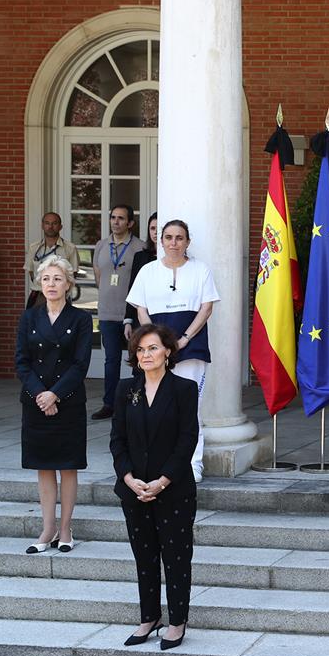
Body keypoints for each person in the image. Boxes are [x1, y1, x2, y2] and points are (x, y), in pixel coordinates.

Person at [110, 324, 200, 651]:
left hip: (173, 489)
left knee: (176, 557)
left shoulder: (184, 389)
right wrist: (128, 478)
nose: (146, 355)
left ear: (168, 352)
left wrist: (162, 481)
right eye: (140, 349)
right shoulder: (125, 389)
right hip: (135, 491)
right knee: (144, 557)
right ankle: (149, 618)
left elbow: (187, 439)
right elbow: (117, 439)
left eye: (152, 348)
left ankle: (177, 621)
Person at [126, 219, 219, 482]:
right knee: (156, 405)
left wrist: (185, 338)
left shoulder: (200, 270)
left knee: (190, 408)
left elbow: (206, 308)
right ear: (161, 241)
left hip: (191, 347)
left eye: (179, 238)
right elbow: (141, 309)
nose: (173, 243)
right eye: (168, 237)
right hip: (155, 351)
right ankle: (161, 462)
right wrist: (156, 343)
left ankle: (192, 464)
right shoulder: (148, 271)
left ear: (187, 242)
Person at [15, 256, 92, 554]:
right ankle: (47, 529)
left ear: (68, 284)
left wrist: (55, 395)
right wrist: (41, 395)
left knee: (68, 467)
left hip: (68, 401)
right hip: (36, 402)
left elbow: (80, 364)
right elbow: (22, 362)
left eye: (58, 279)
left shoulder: (81, 319)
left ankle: (65, 529)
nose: (51, 284)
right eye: (46, 278)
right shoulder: (29, 318)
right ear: (39, 283)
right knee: (44, 467)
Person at [91, 204, 146, 420]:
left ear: (130, 223)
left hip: (130, 314)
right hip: (107, 313)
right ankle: (109, 404)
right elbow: (98, 276)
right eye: (113, 217)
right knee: (111, 360)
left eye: (121, 218)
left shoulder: (140, 247)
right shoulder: (101, 245)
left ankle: (135, 402)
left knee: (137, 361)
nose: (116, 222)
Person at [24, 212, 79, 309]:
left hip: (61, 297)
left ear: (60, 227)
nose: (50, 226)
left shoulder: (70, 248)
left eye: (54, 223)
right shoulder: (34, 248)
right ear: (42, 226)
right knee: (32, 319)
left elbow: (72, 275)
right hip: (38, 297)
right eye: (47, 223)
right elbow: (31, 272)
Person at [123, 212, 158, 332]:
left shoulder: (172, 258)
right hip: (142, 312)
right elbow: (133, 287)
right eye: (152, 228)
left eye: (159, 229)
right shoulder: (140, 256)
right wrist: (128, 319)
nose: (155, 232)